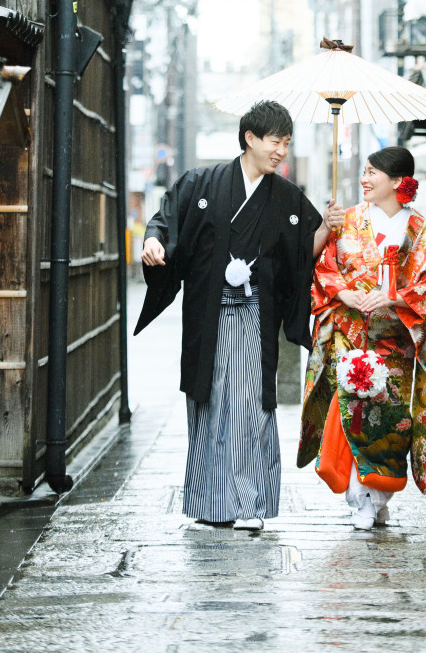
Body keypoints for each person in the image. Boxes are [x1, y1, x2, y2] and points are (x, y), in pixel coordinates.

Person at [135, 99, 344, 531]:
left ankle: (251, 503)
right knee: (209, 402)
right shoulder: (201, 182)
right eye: (275, 142)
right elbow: (164, 222)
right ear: (250, 138)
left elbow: (300, 257)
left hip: (254, 315)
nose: (281, 151)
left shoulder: (286, 196)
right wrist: (152, 242)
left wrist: (325, 227)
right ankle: (211, 503)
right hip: (208, 314)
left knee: (251, 405)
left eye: (287, 143)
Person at [298, 145, 426, 530]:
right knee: (351, 414)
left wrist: (394, 297)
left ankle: (380, 495)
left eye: (372, 173)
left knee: (390, 422)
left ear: (397, 181)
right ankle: (361, 498)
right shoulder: (346, 221)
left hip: (395, 342)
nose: (364, 179)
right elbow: (325, 268)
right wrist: (345, 294)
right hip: (349, 336)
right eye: (363, 172)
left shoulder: (423, 231)